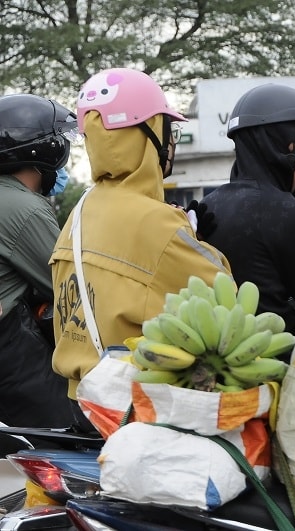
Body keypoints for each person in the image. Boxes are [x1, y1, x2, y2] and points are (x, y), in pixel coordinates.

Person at [50, 68, 231, 410]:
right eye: (167, 128)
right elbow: (227, 298)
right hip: (133, 408)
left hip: (80, 399)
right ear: (148, 136)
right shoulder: (160, 222)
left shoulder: (80, 211)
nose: (171, 140)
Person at [201, 84, 295, 336]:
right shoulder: (290, 217)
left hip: (216, 359)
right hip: (280, 365)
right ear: (290, 145)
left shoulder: (205, 209)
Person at [0, 93, 81, 428]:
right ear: (44, 149)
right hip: (9, 352)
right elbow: (69, 285)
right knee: (71, 431)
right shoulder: (24, 209)